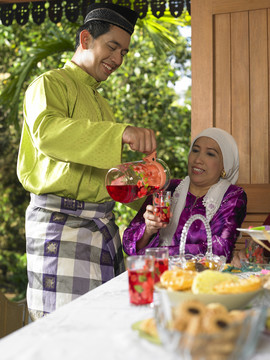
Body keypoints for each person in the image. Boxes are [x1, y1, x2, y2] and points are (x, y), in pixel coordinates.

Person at [17, 3, 156, 320]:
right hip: (61, 228)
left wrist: (149, 196)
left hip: (103, 229)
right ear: (85, 39)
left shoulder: (103, 106)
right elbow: (49, 134)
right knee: (66, 336)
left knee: (100, 333)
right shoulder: (49, 84)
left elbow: (105, 179)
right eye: (113, 47)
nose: (118, 60)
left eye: (124, 52)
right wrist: (120, 133)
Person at [123, 127, 247, 262]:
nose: (198, 159)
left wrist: (155, 254)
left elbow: (219, 251)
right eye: (195, 150)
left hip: (201, 278)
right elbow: (128, 244)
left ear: (225, 165)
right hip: (157, 273)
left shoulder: (232, 196)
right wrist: (148, 230)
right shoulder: (168, 188)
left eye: (210, 154)